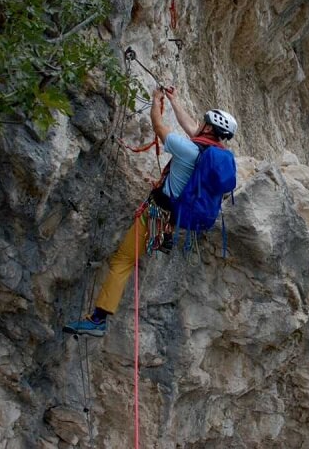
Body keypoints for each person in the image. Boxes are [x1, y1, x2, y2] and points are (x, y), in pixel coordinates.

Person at [63, 87, 238, 336]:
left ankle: (98, 319)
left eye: (204, 122)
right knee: (132, 252)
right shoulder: (213, 154)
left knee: (123, 260)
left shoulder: (186, 149)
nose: (199, 124)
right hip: (177, 215)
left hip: (158, 213)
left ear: (209, 128)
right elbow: (191, 127)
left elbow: (158, 126)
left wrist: (156, 101)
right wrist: (174, 101)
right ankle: (162, 238)